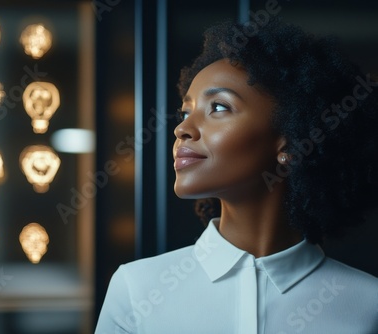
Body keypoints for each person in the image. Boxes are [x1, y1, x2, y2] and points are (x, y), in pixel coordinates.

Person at [95, 18, 378, 334]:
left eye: (218, 107)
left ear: (293, 142)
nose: (181, 129)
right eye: (186, 112)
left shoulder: (368, 305)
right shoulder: (135, 288)